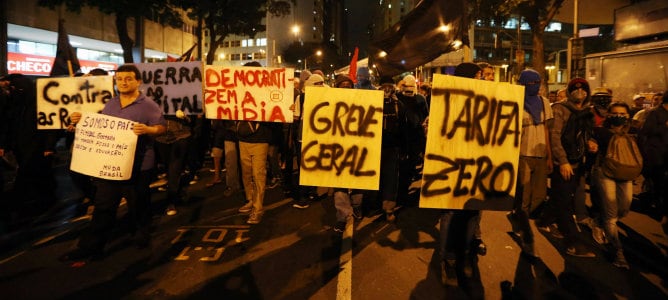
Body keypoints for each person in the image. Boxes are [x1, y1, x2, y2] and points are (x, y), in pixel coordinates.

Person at [60, 64, 166, 261]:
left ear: (138, 82)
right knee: (104, 206)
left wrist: (148, 130)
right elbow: (101, 129)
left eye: (128, 79)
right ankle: (92, 246)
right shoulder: (111, 104)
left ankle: (142, 234)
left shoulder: (149, 105)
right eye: (119, 79)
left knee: (138, 204)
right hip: (110, 165)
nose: (123, 82)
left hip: (139, 166)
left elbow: (162, 127)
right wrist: (80, 122)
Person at [535, 77, 597, 258]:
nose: (580, 92)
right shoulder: (560, 109)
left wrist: (591, 143)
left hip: (577, 163)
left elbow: (585, 135)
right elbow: (554, 138)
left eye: (584, 89)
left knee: (559, 197)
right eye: (575, 89)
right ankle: (572, 242)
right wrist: (562, 161)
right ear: (569, 92)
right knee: (564, 203)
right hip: (563, 163)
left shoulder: (586, 112)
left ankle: (544, 221)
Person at [506, 69, 553, 258]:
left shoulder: (544, 103)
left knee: (539, 196)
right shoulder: (516, 103)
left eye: (537, 83)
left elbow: (547, 131)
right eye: (531, 83)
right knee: (524, 196)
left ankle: (516, 215)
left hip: (540, 155)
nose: (535, 87)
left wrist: (549, 156)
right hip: (522, 155)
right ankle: (527, 238)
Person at [591, 101, 637, 269]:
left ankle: (599, 218)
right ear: (609, 115)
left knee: (624, 208)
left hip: (626, 175)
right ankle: (618, 252)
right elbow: (590, 140)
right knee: (611, 216)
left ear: (628, 116)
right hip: (605, 173)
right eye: (615, 113)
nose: (619, 116)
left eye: (622, 114)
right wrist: (592, 145)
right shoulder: (600, 131)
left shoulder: (633, 132)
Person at [236, 61, 273, 224]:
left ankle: (258, 208)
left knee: (258, 174)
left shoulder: (266, 92)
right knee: (246, 173)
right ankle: (250, 200)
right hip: (242, 138)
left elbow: (275, 111)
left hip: (260, 139)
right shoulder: (238, 92)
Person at [637, 91, 668, 236]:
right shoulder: (655, 113)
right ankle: (659, 210)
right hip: (656, 156)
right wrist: (663, 126)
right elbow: (644, 132)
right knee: (659, 184)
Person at [155, 109, 192, 216]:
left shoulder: (186, 94)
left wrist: (185, 115)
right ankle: (178, 190)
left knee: (174, 168)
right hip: (161, 136)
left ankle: (171, 202)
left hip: (180, 135)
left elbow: (194, 113)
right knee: (169, 167)